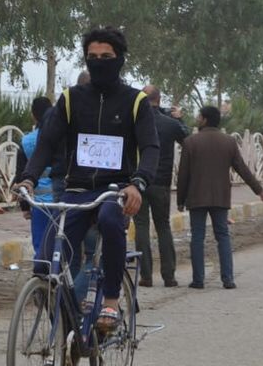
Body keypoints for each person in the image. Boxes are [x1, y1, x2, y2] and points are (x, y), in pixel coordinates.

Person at [19, 26, 160, 333]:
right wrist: (28, 178)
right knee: (45, 263)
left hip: (115, 191)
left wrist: (138, 183)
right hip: (77, 189)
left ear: (120, 59)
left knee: (110, 223)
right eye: (92, 57)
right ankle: (68, 327)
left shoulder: (135, 102)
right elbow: (46, 144)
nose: (99, 62)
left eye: (106, 57)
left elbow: (150, 148)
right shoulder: (71, 99)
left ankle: (110, 299)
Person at [176, 105, 263, 289]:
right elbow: (242, 169)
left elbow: (183, 175)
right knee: (223, 236)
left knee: (197, 237)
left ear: (204, 119)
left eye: (199, 116)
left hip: (196, 198)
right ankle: (228, 279)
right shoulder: (228, 142)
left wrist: (180, 200)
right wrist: (259, 190)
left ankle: (198, 280)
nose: (197, 118)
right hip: (220, 197)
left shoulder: (190, 142)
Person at [135, 85, 190, 287]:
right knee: (163, 226)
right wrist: (179, 119)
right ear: (160, 99)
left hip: (139, 181)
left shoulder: (135, 122)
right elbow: (189, 141)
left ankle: (146, 276)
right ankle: (169, 276)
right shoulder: (170, 123)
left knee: (141, 226)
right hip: (162, 182)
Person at [14, 96, 56, 258]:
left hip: (38, 202)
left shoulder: (26, 141)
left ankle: (41, 277)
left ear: (33, 115)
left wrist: (25, 206)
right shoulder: (60, 137)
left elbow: (21, 176)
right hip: (63, 200)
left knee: (40, 246)